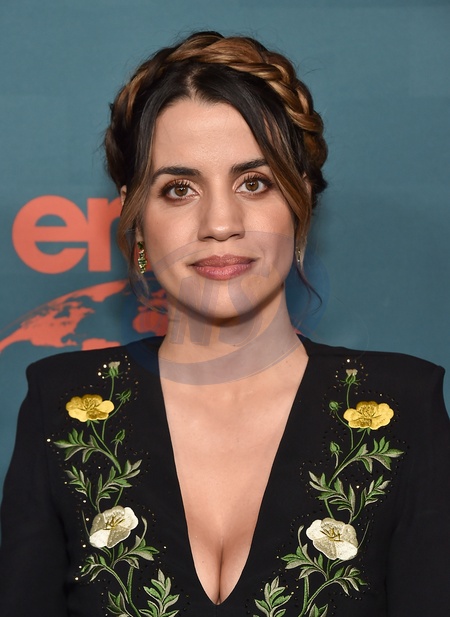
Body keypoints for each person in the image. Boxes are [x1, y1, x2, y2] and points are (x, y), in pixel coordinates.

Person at [0, 31, 449, 617]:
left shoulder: (402, 407)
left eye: (253, 183)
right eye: (179, 189)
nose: (219, 222)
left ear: (300, 201)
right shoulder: (61, 406)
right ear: (137, 216)